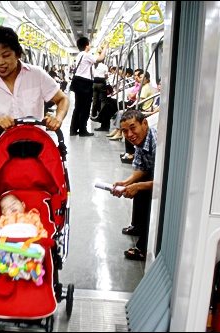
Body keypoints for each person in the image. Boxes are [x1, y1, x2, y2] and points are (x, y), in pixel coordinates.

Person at [0, 26, 69, 138]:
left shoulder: (37, 75)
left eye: (6, 56)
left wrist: (58, 118)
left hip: (35, 144)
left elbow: (62, 99)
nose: (0, 62)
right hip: (3, 147)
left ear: (18, 54)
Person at [110, 109, 157, 261]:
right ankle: (137, 226)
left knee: (147, 194)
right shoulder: (140, 141)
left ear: (145, 123)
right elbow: (142, 168)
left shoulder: (157, 142)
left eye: (132, 127)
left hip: (168, 181)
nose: (129, 134)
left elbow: (167, 181)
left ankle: (143, 248)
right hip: (155, 174)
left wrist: (138, 186)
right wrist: (127, 182)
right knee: (138, 184)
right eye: (124, 131)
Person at [69, 37, 109, 137]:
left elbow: (96, 61)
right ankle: (82, 130)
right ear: (87, 45)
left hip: (78, 82)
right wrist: (106, 46)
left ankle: (73, 129)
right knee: (85, 107)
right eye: (89, 44)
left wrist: (100, 51)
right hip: (84, 83)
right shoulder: (86, 55)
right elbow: (101, 59)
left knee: (78, 107)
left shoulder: (80, 55)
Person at [91, 50, 109, 118]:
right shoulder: (104, 66)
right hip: (102, 83)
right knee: (103, 100)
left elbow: (92, 75)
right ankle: (102, 115)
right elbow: (106, 76)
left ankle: (93, 114)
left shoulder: (93, 66)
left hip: (95, 83)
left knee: (95, 99)